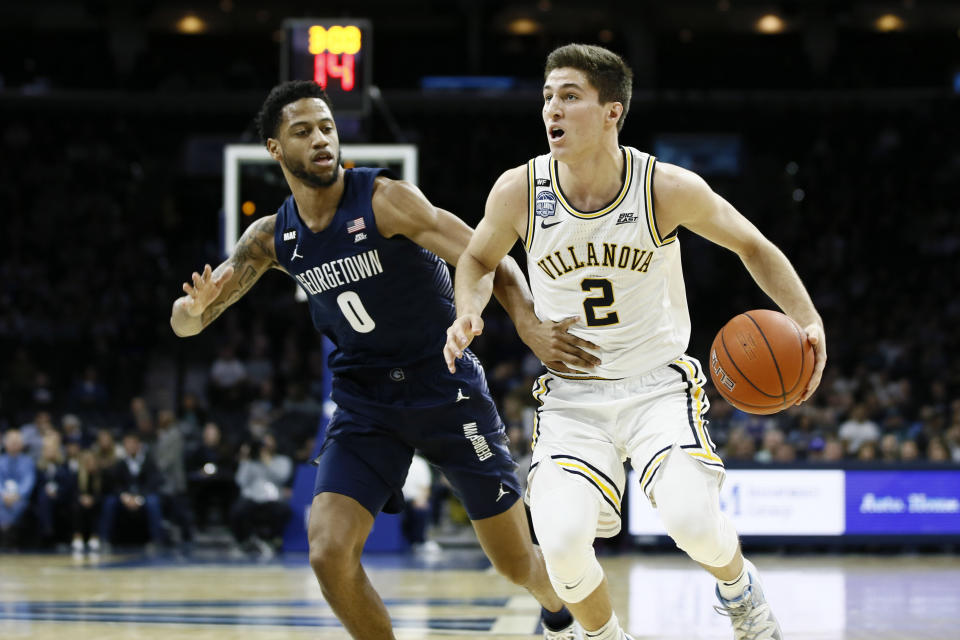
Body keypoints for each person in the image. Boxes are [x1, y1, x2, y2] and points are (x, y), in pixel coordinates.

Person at [170, 80, 596, 639]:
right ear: (276, 150)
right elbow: (185, 324)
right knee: (326, 551)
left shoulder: (385, 201)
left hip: (443, 386)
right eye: (303, 132)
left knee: (515, 563)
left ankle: (559, 612)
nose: (321, 140)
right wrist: (193, 307)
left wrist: (530, 326)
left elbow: (489, 258)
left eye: (326, 127)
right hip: (365, 401)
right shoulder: (271, 239)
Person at [444, 43, 827, 640]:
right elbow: (475, 260)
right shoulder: (520, 191)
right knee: (564, 547)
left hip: (656, 390)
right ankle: (604, 636)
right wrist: (467, 312)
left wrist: (808, 320)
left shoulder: (663, 187)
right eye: (548, 96)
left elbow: (753, 245)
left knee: (693, 521)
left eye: (570, 96)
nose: (553, 109)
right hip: (573, 398)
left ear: (611, 112)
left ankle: (740, 591)